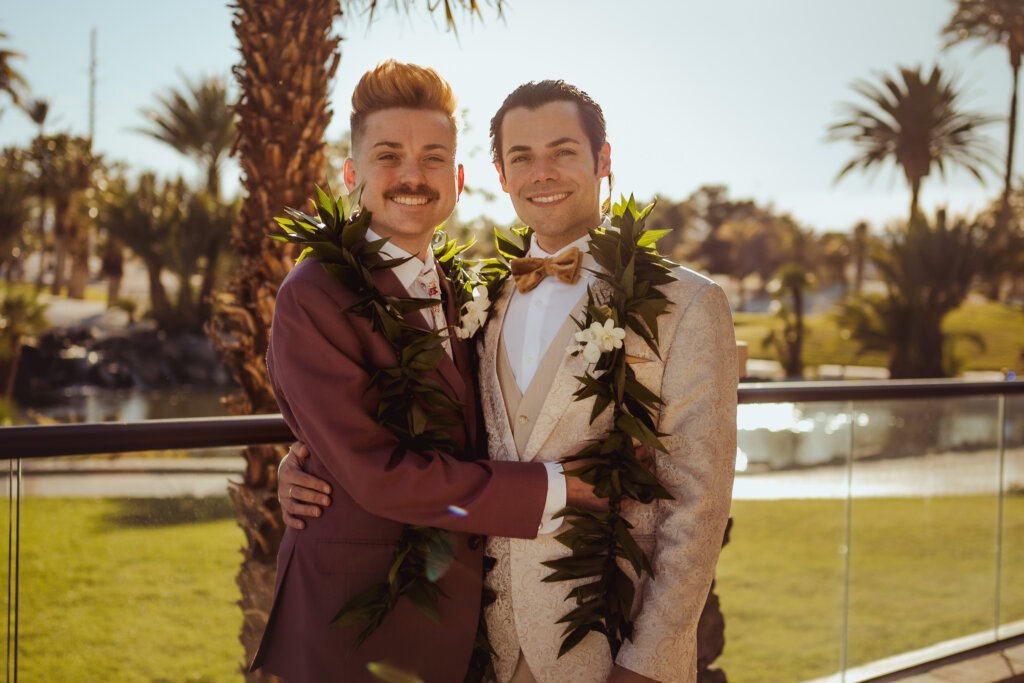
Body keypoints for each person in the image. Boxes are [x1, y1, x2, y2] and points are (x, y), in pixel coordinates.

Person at [281, 79, 737, 682]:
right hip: (480, 640)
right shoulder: (486, 295)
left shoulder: (687, 303)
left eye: (563, 151)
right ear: (499, 174)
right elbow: (380, 438)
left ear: (603, 160)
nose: (541, 172)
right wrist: (309, 461)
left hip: (608, 642)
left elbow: (696, 503)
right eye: (521, 156)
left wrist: (650, 661)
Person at [252, 62, 605, 683]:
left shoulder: (466, 290)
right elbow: (376, 473)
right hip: (354, 625)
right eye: (389, 155)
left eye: (434, 157)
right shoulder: (313, 293)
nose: (413, 176)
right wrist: (553, 491)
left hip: (463, 619)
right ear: (351, 173)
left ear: (460, 179)